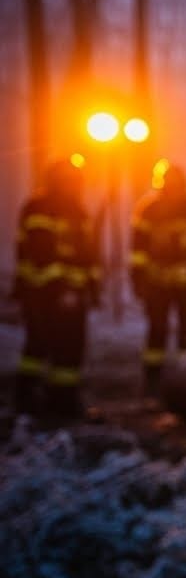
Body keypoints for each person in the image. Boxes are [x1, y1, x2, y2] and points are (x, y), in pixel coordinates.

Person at [11, 157, 101, 424]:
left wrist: (92, 286)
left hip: (71, 294)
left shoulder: (78, 211)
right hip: (43, 292)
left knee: (70, 348)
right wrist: (62, 287)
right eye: (68, 182)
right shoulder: (38, 208)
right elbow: (41, 253)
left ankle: (62, 399)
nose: (73, 187)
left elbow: (88, 254)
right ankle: (28, 397)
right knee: (41, 345)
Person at [130, 161, 186, 396]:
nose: (174, 190)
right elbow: (137, 250)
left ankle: (185, 380)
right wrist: (137, 279)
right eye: (170, 186)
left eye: (178, 186)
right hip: (157, 284)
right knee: (157, 331)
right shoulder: (148, 209)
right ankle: (152, 381)